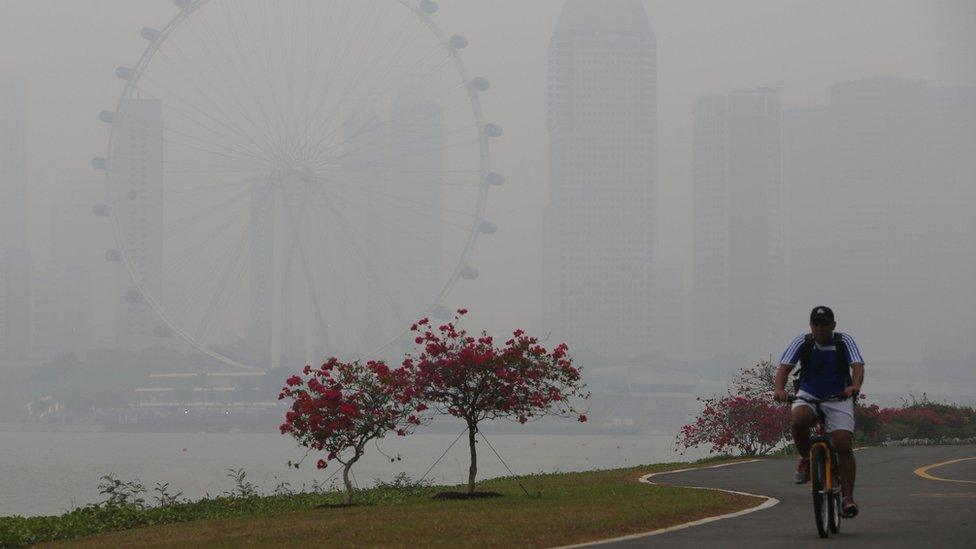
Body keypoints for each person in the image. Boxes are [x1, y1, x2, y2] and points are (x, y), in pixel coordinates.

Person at [774, 306, 865, 518]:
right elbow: (784, 369)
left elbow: (857, 366)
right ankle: (807, 459)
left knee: (843, 443)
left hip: (838, 396)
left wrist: (854, 386)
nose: (820, 329)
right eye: (816, 324)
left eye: (825, 325)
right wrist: (779, 389)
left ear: (833, 325)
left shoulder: (844, 341)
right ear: (811, 326)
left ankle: (847, 498)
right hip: (808, 394)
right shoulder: (803, 342)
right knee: (798, 419)